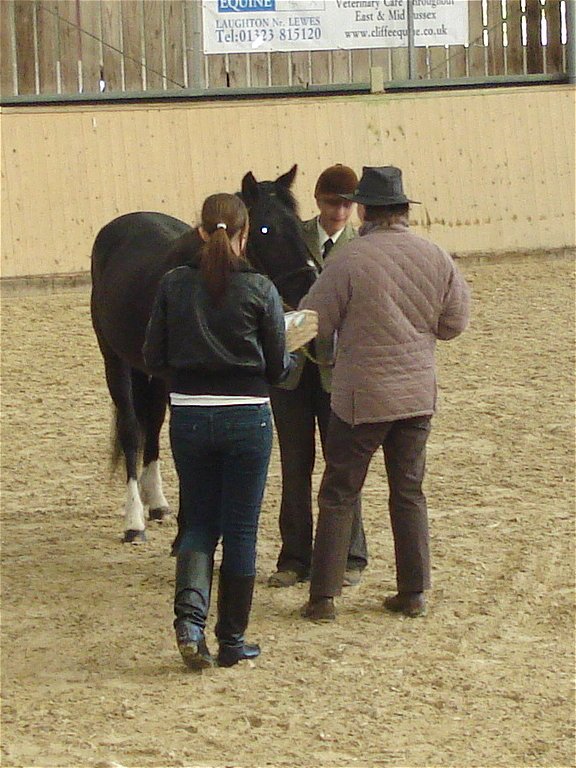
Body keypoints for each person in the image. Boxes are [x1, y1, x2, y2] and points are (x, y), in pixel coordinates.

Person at [298, 166, 471, 622]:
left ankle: (324, 597)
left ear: (365, 211)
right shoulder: (436, 256)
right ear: (403, 210)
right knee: (409, 491)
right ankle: (413, 591)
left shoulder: (349, 260)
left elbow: (316, 322)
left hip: (362, 398)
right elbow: (453, 324)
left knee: (340, 492)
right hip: (416, 396)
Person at [143, 193, 300, 669]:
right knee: (241, 530)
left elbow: (152, 356)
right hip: (247, 415)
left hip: (190, 414)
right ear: (244, 234)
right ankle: (232, 638)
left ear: (199, 232)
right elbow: (277, 369)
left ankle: (189, 624)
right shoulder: (260, 288)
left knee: (198, 522)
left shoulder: (173, 284)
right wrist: (293, 354)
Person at [267, 164, 369, 589]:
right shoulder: (293, 236)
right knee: (295, 465)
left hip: (337, 372)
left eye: (346, 205)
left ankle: (350, 554)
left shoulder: (361, 246)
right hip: (293, 370)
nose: (339, 212)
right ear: (317, 200)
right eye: (331, 203)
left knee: (341, 464)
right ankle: (294, 556)